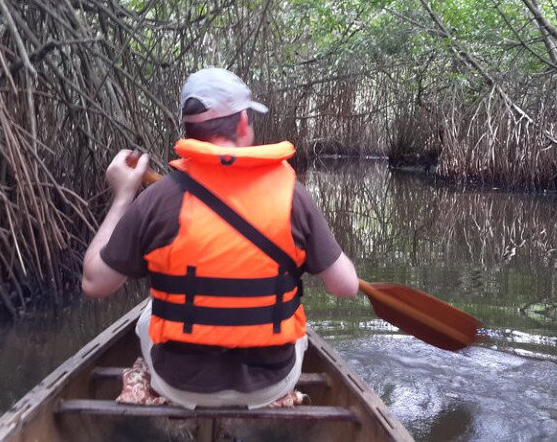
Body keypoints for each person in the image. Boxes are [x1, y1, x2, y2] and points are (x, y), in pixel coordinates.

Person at [82, 68, 358, 409]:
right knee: (297, 326)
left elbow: (94, 283)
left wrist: (123, 195)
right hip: (269, 385)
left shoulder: (158, 199)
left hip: (178, 384)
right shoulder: (293, 198)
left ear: (189, 132)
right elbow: (346, 286)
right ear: (243, 123)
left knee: (149, 312)